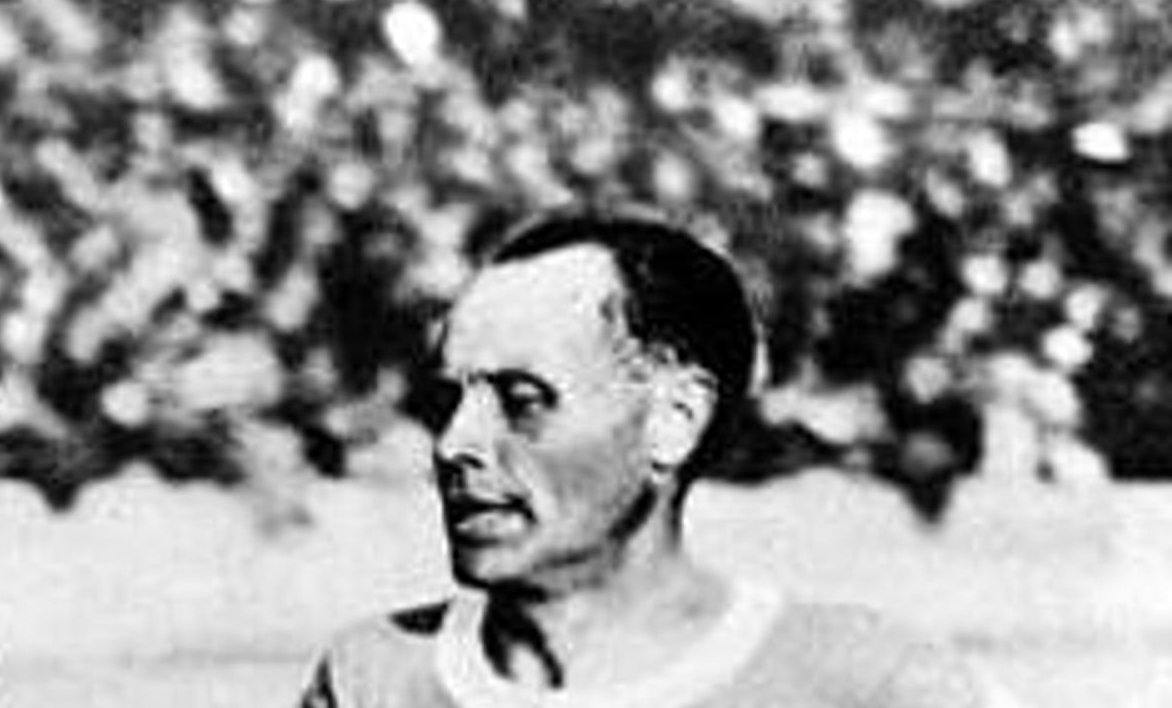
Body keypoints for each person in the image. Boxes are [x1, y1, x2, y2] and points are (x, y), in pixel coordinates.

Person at [299, 210, 1020, 708]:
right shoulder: (374, 677)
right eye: (447, 401)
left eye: (522, 401)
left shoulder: (867, 684)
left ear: (673, 421)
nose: (455, 443)